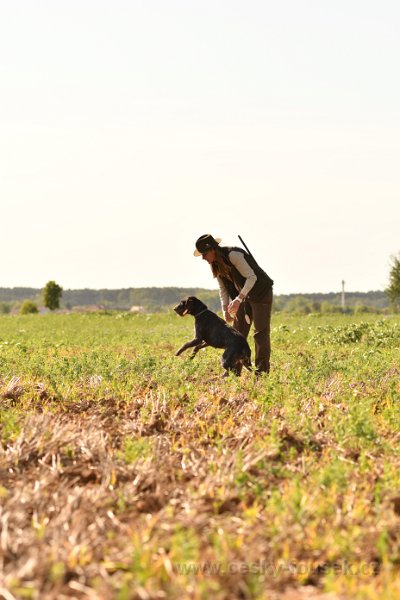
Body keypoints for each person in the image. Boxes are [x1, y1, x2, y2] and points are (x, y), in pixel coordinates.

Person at [194, 233, 274, 375]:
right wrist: (225, 308)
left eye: (204, 254)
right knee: (236, 333)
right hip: (243, 296)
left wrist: (238, 299)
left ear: (212, 250)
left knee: (260, 333)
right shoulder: (215, 265)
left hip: (260, 293)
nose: (203, 258)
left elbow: (252, 277)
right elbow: (223, 289)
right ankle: (233, 372)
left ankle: (261, 373)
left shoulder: (234, 255)